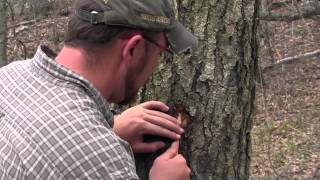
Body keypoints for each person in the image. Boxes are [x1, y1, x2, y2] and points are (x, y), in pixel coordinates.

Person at [0, 0, 197, 179]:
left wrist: (109, 130)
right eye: (159, 53)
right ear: (133, 50)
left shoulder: (9, 76)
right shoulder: (102, 165)